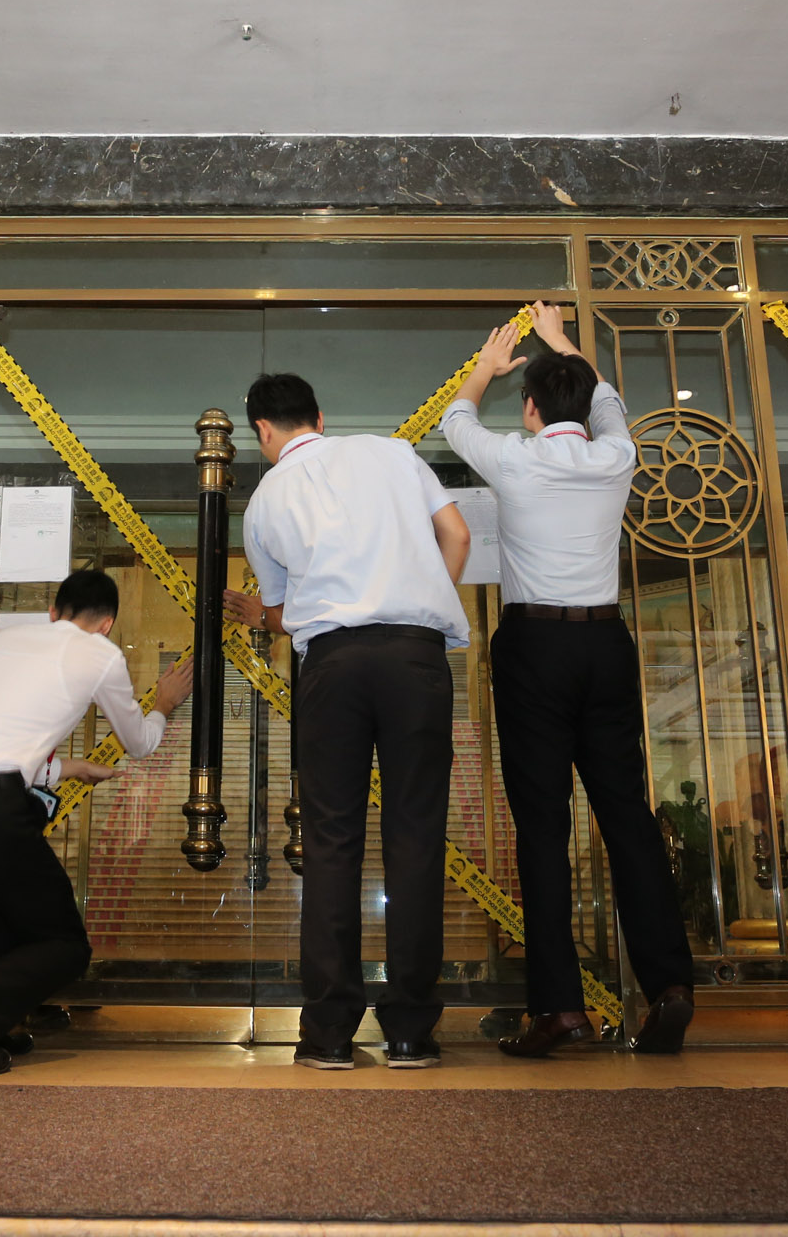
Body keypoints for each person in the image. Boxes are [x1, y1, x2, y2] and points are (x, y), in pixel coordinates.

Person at [440, 303, 695, 1055]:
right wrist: (559, 341)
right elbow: (606, 396)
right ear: (584, 407)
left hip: (535, 647)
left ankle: (558, 1009)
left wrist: (487, 365)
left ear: (529, 408)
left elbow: (455, 418)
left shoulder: (515, 459)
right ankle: (670, 986)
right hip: (605, 643)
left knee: (543, 828)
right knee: (628, 817)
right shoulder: (616, 454)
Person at [222, 373, 472, 1069]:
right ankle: (410, 1031)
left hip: (332, 665)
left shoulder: (264, 502)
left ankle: (330, 1031)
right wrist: (418, 596)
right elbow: (456, 534)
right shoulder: (392, 452)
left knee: (332, 841)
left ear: (262, 431)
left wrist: (264, 617)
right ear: (320, 417)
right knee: (416, 836)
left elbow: (284, 613)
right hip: (415, 656)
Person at [0, 569, 194, 1075]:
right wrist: (164, 703)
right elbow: (141, 742)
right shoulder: (100, 653)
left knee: (15, 904)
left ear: (54, 612)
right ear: (108, 624)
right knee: (65, 945)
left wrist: (69, 769)